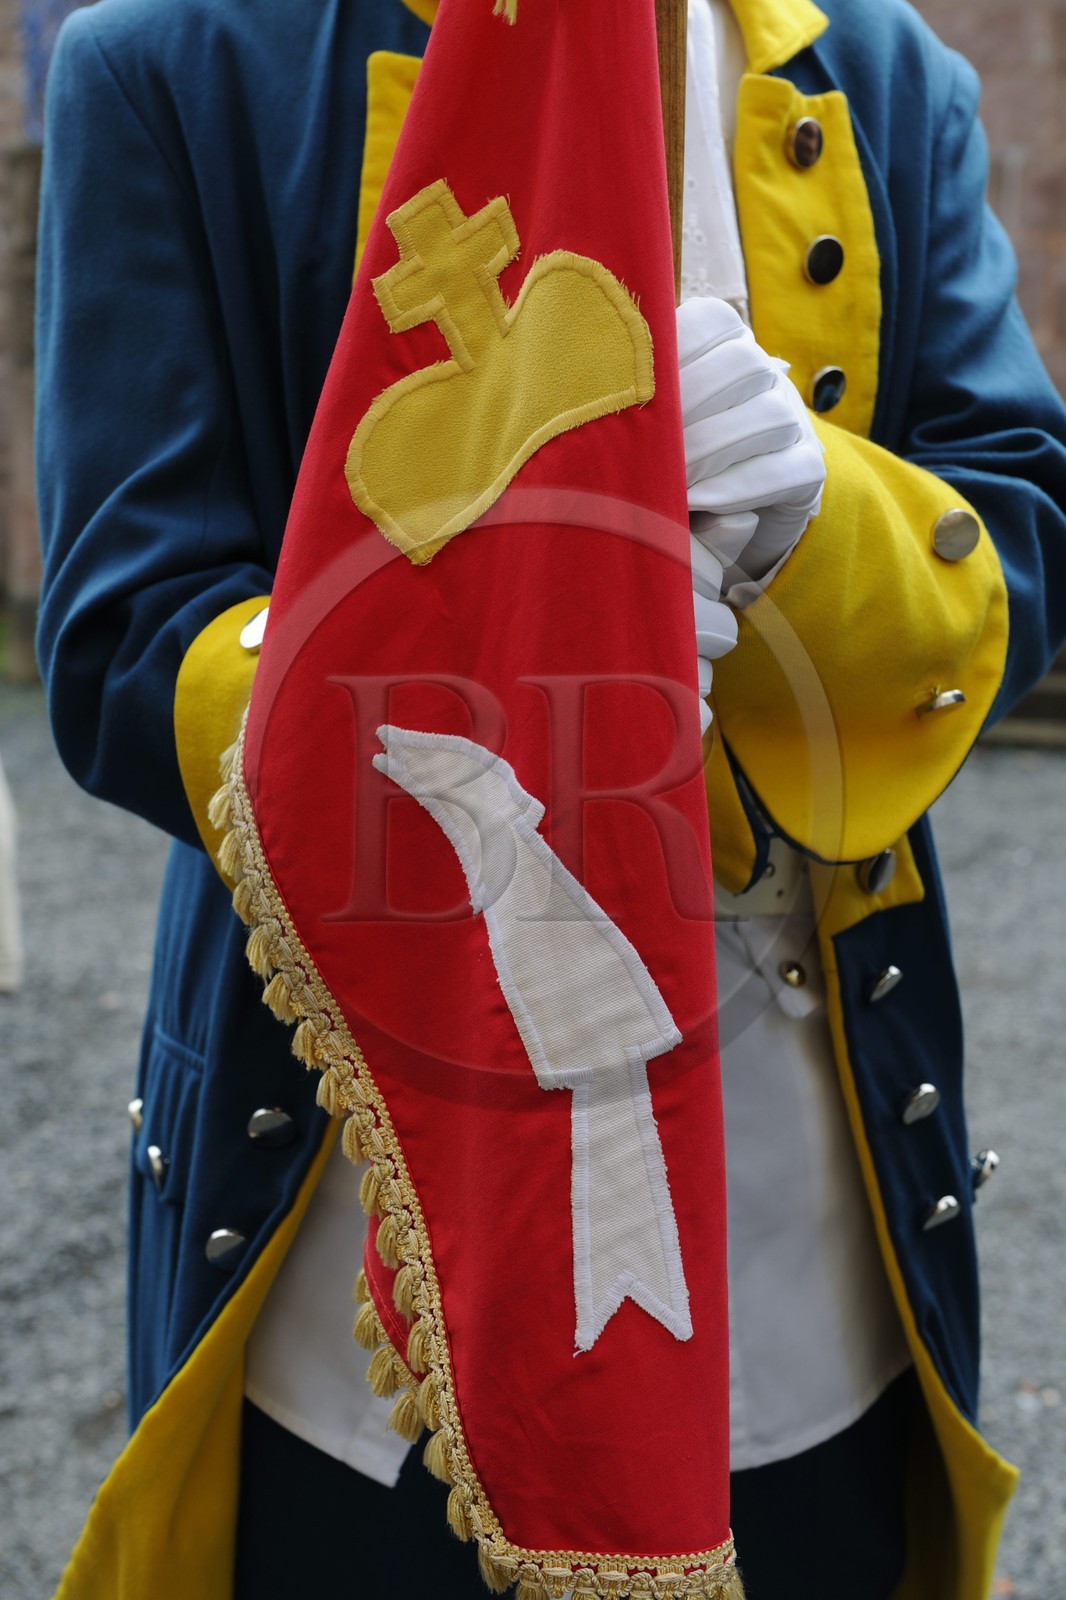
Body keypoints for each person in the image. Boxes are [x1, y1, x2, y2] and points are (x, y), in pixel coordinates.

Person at [34, 1, 1066, 1598]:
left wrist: (819, 522)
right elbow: (123, 634)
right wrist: (499, 668)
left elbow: (1017, 535)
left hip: (801, 1223)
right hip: (362, 1246)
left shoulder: (880, 69)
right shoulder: (176, 58)